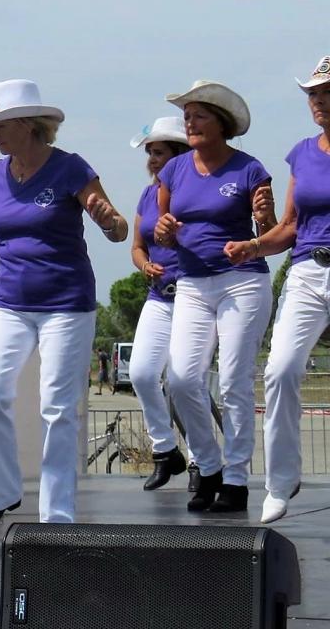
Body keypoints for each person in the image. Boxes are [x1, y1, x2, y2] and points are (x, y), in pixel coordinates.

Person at [0, 79, 127, 529]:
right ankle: (0, 492)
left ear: (29, 124)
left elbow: (117, 229)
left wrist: (109, 222)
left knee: (56, 408)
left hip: (66, 305)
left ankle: (56, 517)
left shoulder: (70, 168)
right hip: (9, 303)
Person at [156, 80, 275, 514]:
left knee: (233, 381)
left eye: (198, 115)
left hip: (241, 280)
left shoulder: (249, 169)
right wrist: (164, 234)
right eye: (186, 116)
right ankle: (207, 466)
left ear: (221, 123)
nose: (189, 123)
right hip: (191, 282)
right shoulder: (174, 170)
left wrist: (262, 218)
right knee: (182, 379)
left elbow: (271, 230)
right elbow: (164, 233)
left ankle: (237, 478)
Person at [223, 57, 330, 522]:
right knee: (281, 370)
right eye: (313, 95)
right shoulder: (302, 153)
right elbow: (290, 225)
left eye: (327, 94)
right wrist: (253, 246)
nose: (319, 102)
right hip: (309, 269)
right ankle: (281, 483)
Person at [126, 116, 191, 490]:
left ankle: (202, 461)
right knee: (142, 374)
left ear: (178, 155)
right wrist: (143, 265)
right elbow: (136, 246)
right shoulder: (147, 195)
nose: (152, 159)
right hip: (158, 295)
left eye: (159, 152)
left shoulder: (192, 193)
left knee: (186, 382)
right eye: (149, 152)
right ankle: (166, 451)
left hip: (192, 297)